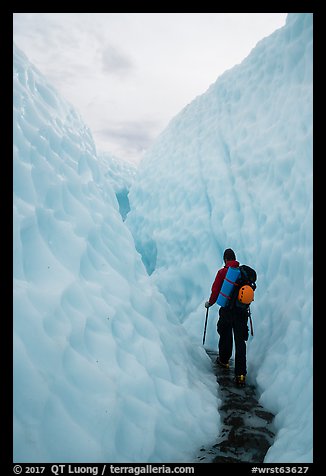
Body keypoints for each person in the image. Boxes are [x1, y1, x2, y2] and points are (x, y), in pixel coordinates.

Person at [205, 248, 249, 386]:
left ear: (225, 259)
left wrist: (209, 303)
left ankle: (224, 361)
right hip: (241, 312)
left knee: (225, 335)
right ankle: (241, 375)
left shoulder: (223, 272)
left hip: (227, 311)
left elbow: (216, 291)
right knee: (240, 341)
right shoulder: (243, 273)